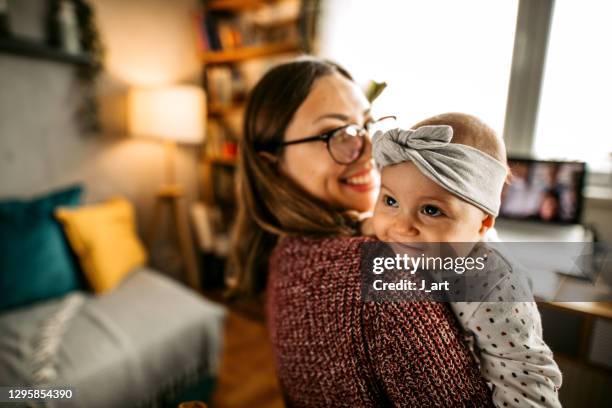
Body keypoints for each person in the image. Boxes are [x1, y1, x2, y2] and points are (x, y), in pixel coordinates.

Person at [230, 58, 494, 406]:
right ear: (272, 164)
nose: (372, 151)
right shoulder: (380, 276)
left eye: (368, 126)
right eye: (338, 134)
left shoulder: (284, 254)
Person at [370, 112, 562, 407]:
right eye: (391, 201)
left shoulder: (490, 284)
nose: (401, 227)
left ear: (483, 223)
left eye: (431, 210)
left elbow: (526, 382)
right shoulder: (422, 244)